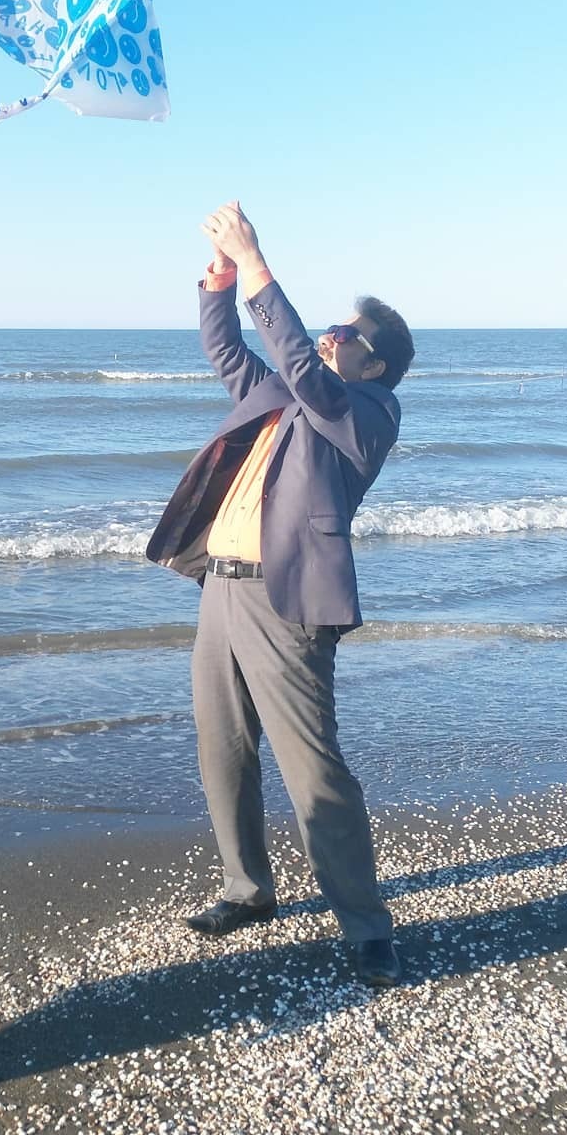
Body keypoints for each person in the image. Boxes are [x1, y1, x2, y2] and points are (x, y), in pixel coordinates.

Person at [146, 201, 415, 988]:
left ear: (374, 365)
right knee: (222, 749)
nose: (332, 335)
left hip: (285, 601)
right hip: (221, 590)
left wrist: (261, 264)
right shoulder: (289, 396)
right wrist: (222, 282)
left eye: (348, 334)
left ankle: (366, 926)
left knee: (313, 769)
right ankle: (246, 889)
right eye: (332, 326)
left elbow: (302, 366)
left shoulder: (367, 413)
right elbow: (229, 352)